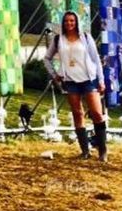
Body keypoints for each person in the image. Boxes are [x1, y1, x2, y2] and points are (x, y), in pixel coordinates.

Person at [43, 10, 108, 161]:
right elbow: (47, 58)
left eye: (72, 21)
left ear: (77, 22)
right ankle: (85, 151)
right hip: (70, 81)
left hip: (88, 79)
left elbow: (95, 59)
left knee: (97, 113)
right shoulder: (59, 39)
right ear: (63, 23)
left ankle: (102, 150)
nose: (69, 23)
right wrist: (55, 74)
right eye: (66, 21)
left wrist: (101, 80)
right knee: (77, 114)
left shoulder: (85, 37)